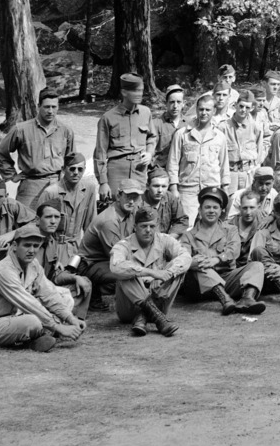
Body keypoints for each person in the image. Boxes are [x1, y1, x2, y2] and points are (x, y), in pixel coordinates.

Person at [0, 221, 85, 351]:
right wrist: (58, 327)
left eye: (36, 246)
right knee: (33, 321)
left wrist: (71, 319)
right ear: (15, 246)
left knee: (64, 296)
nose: (31, 250)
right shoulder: (3, 270)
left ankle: (38, 337)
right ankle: (34, 339)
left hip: (17, 316)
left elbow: (49, 294)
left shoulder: (33, 264)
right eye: (27, 245)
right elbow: (27, 303)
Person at [182, 188, 269, 315]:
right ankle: (226, 300)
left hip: (226, 278)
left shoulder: (230, 230)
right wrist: (196, 263)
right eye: (207, 207)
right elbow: (183, 259)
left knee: (257, 265)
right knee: (199, 263)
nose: (211, 211)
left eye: (215, 208)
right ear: (200, 210)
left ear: (221, 211)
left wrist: (217, 259)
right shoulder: (188, 235)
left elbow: (234, 250)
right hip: (200, 287)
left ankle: (247, 299)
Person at [109, 207, 192, 336]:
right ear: (135, 227)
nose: (148, 230)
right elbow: (116, 267)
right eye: (143, 226)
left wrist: (168, 273)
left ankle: (144, 316)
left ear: (156, 226)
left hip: (159, 303)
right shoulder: (123, 245)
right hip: (130, 308)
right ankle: (155, 316)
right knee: (126, 272)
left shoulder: (164, 240)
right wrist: (151, 273)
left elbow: (186, 257)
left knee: (178, 268)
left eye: (152, 226)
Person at [0, 88, 78, 216]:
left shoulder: (66, 131)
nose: (50, 111)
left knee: (55, 221)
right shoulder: (21, 129)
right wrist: (12, 175)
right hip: (30, 185)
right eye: (46, 107)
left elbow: (72, 159)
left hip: (57, 183)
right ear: (39, 106)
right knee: (25, 220)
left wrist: (66, 181)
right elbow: (1, 154)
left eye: (54, 107)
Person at [77, 184, 142, 310]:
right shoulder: (109, 220)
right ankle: (92, 293)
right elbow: (117, 259)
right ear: (118, 196)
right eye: (128, 196)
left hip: (105, 261)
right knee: (131, 274)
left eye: (135, 197)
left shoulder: (131, 212)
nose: (131, 201)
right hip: (89, 266)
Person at [93, 73, 156, 197]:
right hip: (116, 170)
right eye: (135, 91)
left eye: (141, 90)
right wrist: (103, 182)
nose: (139, 94)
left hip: (139, 169)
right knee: (115, 203)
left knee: (138, 204)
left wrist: (149, 153)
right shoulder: (108, 118)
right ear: (124, 92)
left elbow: (152, 137)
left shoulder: (146, 112)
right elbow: (100, 152)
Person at [30, 192, 92, 318]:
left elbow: (54, 275)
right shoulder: (29, 242)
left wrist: (75, 278)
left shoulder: (52, 241)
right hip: (31, 291)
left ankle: (74, 318)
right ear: (37, 220)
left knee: (84, 282)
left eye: (57, 217)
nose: (53, 221)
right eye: (48, 217)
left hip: (47, 288)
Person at [175, 90, 232, 221]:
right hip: (188, 190)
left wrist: (225, 188)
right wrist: (173, 188)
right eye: (201, 109)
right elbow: (173, 163)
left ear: (214, 111)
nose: (204, 113)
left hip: (211, 189)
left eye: (208, 110)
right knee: (187, 225)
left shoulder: (220, 137)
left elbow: (224, 165)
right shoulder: (182, 134)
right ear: (196, 110)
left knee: (209, 225)